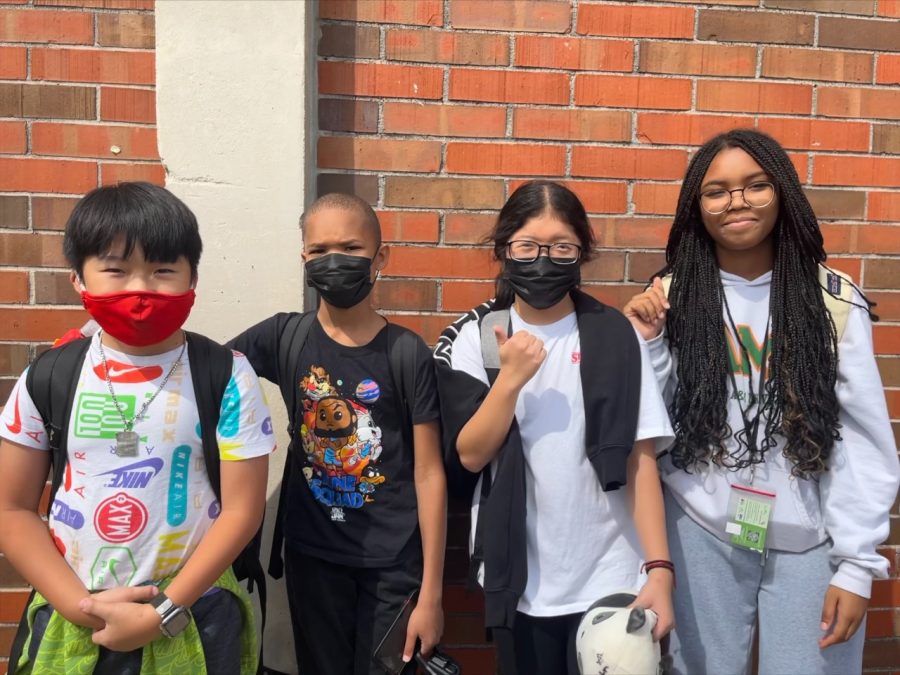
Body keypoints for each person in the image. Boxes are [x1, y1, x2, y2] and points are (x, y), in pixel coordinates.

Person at [624, 128, 900, 674]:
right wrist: (652, 342)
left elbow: (863, 438)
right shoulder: (671, 295)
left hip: (811, 538)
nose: (737, 202)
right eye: (717, 191)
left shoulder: (832, 300)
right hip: (700, 528)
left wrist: (855, 565)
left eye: (755, 185)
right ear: (695, 206)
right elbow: (652, 422)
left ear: (784, 194)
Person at [0, 182, 274, 673]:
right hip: (77, 617)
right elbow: (12, 508)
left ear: (193, 276)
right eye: (115, 270)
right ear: (78, 280)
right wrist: (80, 607)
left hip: (196, 612)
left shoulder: (228, 375)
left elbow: (243, 509)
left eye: (163, 270)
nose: (140, 290)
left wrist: (165, 610)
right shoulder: (48, 375)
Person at [433, 180, 675, 675]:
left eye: (561, 247)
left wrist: (660, 570)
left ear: (581, 252)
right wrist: (510, 381)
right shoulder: (477, 339)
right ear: (504, 250)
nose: (543, 260)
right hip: (522, 579)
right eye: (527, 246)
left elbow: (640, 458)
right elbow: (471, 455)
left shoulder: (616, 334)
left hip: (612, 571)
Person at [227, 193, 446, 675]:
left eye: (350, 248)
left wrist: (431, 593)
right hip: (313, 558)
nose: (334, 261)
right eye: (319, 249)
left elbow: (429, 473)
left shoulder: (407, 353)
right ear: (303, 257)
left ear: (380, 256)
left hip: (393, 567)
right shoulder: (285, 337)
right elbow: (204, 372)